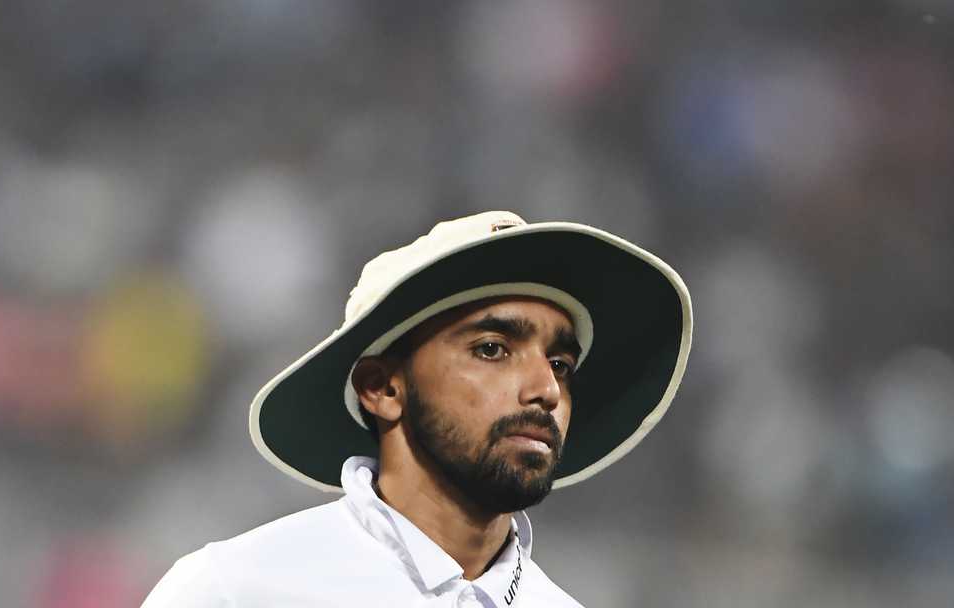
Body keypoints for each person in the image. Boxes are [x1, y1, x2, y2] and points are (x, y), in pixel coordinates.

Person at [142, 211, 692, 607]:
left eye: (561, 364)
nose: (546, 388)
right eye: (492, 349)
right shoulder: (235, 591)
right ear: (383, 388)